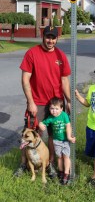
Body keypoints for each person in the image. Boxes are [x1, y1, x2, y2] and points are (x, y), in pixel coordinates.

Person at [14, 26, 71, 177]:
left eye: (53, 37)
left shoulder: (61, 55)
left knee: (54, 135)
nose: (50, 40)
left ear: (57, 38)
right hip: (37, 102)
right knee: (30, 134)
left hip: (56, 104)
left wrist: (69, 101)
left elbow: (64, 80)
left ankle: (49, 164)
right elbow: (25, 79)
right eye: (48, 37)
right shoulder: (32, 53)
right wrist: (30, 102)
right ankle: (23, 164)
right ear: (42, 36)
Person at [39, 97, 75, 185]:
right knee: (59, 157)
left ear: (61, 109)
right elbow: (43, 123)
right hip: (56, 141)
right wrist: (40, 124)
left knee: (66, 156)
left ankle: (67, 173)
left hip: (65, 141)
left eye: (56, 109)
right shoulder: (50, 118)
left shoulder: (64, 115)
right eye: (52, 108)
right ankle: (61, 171)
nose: (54, 111)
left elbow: (68, 126)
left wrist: (69, 137)